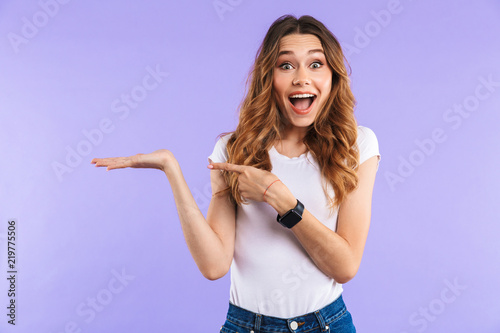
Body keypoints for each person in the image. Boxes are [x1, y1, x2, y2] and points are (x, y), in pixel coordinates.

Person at [91, 14, 380, 333]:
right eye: (286, 65)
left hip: (326, 324)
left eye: (316, 64)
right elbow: (214, 266)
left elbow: (346, 266)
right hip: (247, 325)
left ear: (333, 76)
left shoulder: (356, 145)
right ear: (268, 77)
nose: (301, 78)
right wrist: (171, 170)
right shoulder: (234, 149)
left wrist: (280, 199)